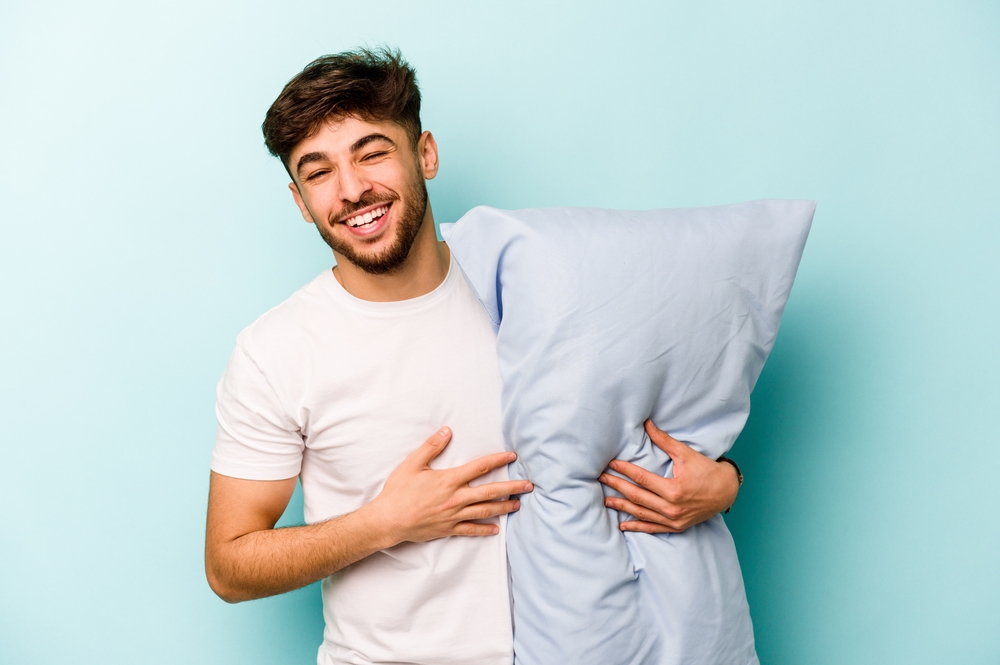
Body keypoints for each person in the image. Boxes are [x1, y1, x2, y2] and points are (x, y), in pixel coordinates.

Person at [204, 47, 741, 665]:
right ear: (301, 201)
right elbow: (230, 564)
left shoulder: (535, 291)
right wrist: (384, 522)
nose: (353, 191)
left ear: (425, 154)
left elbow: (651, 425)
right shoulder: (275, 350)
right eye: (318, 171)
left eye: (373, 152)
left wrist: (725, 484)